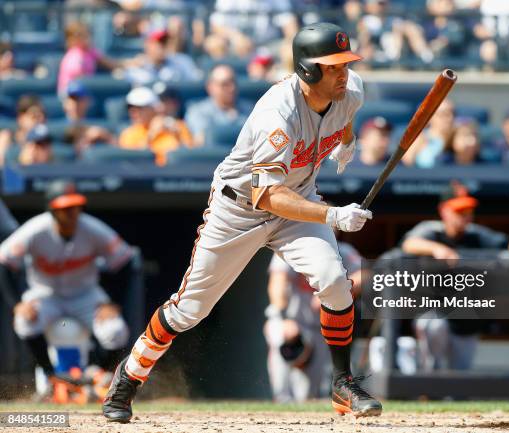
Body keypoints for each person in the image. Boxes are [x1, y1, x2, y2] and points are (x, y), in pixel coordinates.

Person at [103, 22, 382, 423]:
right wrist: (333, 215)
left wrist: (347, 140)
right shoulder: (278, 111)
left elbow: (346, 112)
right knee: (189, 311)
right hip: (240, 209)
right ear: (307, 70)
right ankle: (129, 377)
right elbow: (266, 195)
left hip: (297, 199)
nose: (343, 72)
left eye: (344, 64)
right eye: (332, 66)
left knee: (335, 280)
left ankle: (342, 383)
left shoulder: (350, 88)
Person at [0, 180, 133, 399]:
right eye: (65, 209)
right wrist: (17, 304)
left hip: (86, 294)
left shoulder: (92, 228)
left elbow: (125, 260)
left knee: (115, 330)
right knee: (24, 321)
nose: (72, 213)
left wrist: (112, 303)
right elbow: (4, 261)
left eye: (76, 207)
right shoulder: (36, 228)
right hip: (46, 293)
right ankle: (51, 375)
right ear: (53, 210)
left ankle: (97, 374)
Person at [402, 181, 509, 370]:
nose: (465, 216)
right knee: (433, 334)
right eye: (459, 210)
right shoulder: (431, 230)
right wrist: (436, 248)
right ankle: (426, 389)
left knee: (460, 379)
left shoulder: (475, 234)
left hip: (465, 318)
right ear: (444, 211)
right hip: (433, 312)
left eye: (468, 210)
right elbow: (408, 244)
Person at [264, 239, 363, 402]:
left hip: (319, 327)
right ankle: (281, 399)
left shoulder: (341, 250)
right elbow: (277, 283)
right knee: (279, 338)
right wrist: (283, 317)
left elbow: (365, 273)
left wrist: (335, 292)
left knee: (309, 391)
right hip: (289, 320)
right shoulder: (289, 245)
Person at [118, 87, 193, 165]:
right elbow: (132, 163)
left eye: (139, 108)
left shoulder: (178, 126)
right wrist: (151, 134)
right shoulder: (128, 134)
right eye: (129, 107)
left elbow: (190, 158)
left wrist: (177, 136)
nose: (133, 112)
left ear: (154, 108)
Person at [184, 64, 252, 147]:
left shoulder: (250, 109)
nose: (232, 88)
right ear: (210, 87)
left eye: (233, 82)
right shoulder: (197, 112)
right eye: (225, 84)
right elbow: (202, 141)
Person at [57, 22, 125, 95]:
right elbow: (80, 81)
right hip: (70, 95)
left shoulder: (91, 51)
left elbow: (111, 63)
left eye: (86, 34)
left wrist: (131, 63)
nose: (85, 38)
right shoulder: (73, 56)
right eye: (80, 35)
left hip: (87, 90)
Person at [124, 29, 202, 86]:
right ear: (147, 44)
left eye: (165, 42)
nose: (163, 46)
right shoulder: (135, 68)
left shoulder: (182, 61)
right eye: (159, 42)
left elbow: (196, 84)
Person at [402, 99, 455, 168]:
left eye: (453, 113)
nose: (450, 118)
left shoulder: (457, 138)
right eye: (444, 114)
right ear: (430, 117)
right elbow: (406, 163)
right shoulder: (419, 138)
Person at [0, 95, 47, 167]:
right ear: (21, 118)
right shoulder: (7, 137)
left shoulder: (46, 140)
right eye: (34, 116)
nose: (40, 120)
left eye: (43, 116)